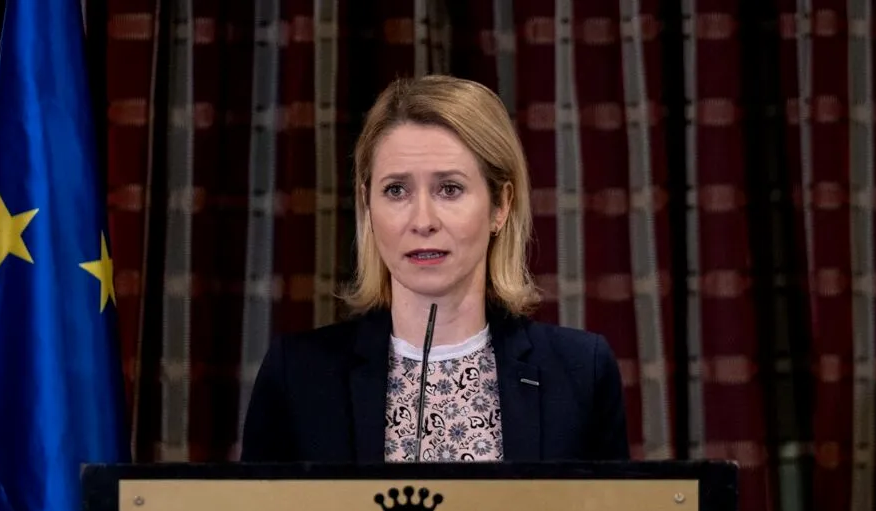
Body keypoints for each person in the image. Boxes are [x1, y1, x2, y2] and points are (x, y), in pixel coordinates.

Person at [240, 75, 629, 463]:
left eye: (449, 189)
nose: (423, 221)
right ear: (367, 205)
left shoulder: (582, 371)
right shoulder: (297, 375)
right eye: (396, 190)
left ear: (501, 206)